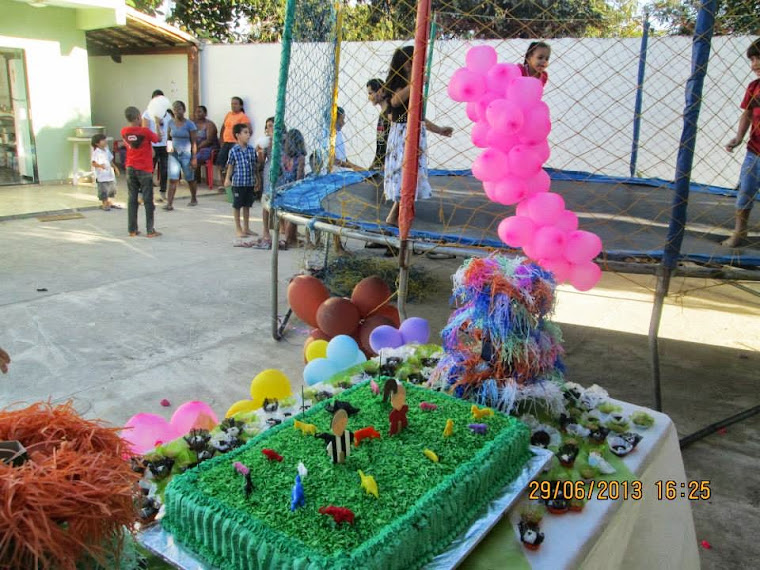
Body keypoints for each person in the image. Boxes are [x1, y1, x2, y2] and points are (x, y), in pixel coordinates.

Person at [383, 46, 453, 227]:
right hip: (402, 135)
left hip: (415, 132)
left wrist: (439, 130)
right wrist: (416, 82)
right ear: (408, 65)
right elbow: (395, 101)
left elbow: (419, 116)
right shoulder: (399, 84)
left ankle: (395, 217)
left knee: (412, 175)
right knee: (403, 173)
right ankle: (396, 218)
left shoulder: (413, 86)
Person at [723, 39, 760, 248]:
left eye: (759, 58)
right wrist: (738, 138)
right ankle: (740, 232)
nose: (755, 64)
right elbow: (746, 114)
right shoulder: (754, 87)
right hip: (755, 151)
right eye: (753, 59)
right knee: (746, 190)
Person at [122, 106, 161, 238]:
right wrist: (157, 124)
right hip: (144, 168)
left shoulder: (124, 131)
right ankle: (150, 230)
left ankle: (132, 229)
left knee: (132, 198)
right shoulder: (145, 132)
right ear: (139, 117)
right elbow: (158, 139)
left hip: (130, 167)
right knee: (148, 199)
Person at [224, 123, 258, 238]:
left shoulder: (252, 150)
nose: (248, 135)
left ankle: (246, 227)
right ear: (238, 135)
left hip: (249, 182)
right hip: (238, 183)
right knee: (237, 205)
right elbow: (230, 166)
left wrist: (257, 180)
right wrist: (227, 178)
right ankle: (238, 228)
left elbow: (254, 166)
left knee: (247, 205)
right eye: (245, 133)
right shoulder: (234, 151)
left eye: (248, 133)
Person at [276, 128, 307, 248]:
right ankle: (290, 239)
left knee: (286, 212)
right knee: (294, 214)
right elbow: (300, 175)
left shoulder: (284, 156)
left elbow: (280, 172)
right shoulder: (300, 158)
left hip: (284, 186)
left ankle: (290, 237)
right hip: (295, 188)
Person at [165, 100, 198, 210]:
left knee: (189, 178)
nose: (177, 111)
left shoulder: (190, 124)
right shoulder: (170, 123)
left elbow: (194, 142)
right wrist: (169, 149)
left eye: (179, 109)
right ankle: (169, 203)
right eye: (175, 109)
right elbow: (169, 138)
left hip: (186, 154)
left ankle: (193, 197)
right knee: (173, 178)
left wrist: (194, 158)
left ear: (183, 110)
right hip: (173, 154)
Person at [216, 97, 252, 191]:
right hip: (226, 142)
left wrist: (241, 142)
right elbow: (223, 128)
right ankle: (223, 183)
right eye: (232, 103)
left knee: (231, 164)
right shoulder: (228, 114)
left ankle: (232, 184)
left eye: (236, 104)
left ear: (240, 105)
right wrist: (221, 140)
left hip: (235, 143)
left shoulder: (243, 116)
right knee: (220, 162)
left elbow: (248, 130)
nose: (233, 105)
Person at [141, 89, 170, 203]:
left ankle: (163, 192)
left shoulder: (167, 114)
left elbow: (169, 132)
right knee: (149, 170)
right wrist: (149, 146)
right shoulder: (147, 114)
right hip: (152, 145)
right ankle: (146, 194)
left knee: (164, 169)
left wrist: (170, 147)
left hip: (164, 145)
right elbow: (145, 131)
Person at [90, 134, 120, 211]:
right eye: (103, 140)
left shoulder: (106, 150)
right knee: (103, 190)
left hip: (110, 174)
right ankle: (104, 203)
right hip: (102, 175)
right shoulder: (96, 152)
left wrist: (115, 168)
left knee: (111, 189)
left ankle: (109, 202)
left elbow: (110, 160)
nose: (105, 141)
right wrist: (100, 166)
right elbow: (93, 163)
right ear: (97, 143)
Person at [367, 78, 391, 170]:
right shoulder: (382, 115)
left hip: (389, 165)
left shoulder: (391, 113)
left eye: (370, 93)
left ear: (380, 91)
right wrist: (375, 163)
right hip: (382, 165)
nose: (369, 97)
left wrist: (388, 162)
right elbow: (380, 144)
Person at [193, 105, 219, 182]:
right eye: (196, 112)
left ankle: (193, 180)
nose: (197, 114)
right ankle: (193, 178)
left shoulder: (210, 124)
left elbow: (209, 140)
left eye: (200, 112)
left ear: (205, 113)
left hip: (208, 148)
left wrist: (196, 148)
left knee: (194, 158)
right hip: (196, 148)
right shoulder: (193, 124)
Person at [333, 106, 363, 171]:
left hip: (342, 173)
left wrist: (356, 167)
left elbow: (342, 157)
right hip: (333, 175)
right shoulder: (328, 136)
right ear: (334, 120)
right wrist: (352, 166)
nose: (344, 123)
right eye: (342, 120)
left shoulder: (338, 133)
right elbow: (334, 160)